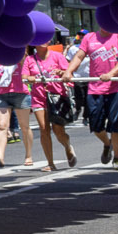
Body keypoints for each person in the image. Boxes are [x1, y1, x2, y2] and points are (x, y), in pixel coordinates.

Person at [76, 24, 118, 168]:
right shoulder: (89, 37)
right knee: (95, 125)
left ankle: (117, 158)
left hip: (116, 88)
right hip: (95, 89)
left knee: (116, 124)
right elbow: (79, 56)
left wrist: (111, 74)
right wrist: (69, 71)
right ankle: (107, 144)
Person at [25, 38, 73, 171]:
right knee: (44, 129)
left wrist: (62, 73)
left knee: (58, 130)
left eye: (47, 39)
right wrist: (28, 78)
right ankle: (50, 163)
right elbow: (24, 76)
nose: (45, 41)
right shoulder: (30, 59)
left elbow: (69, 73)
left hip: (57, 96)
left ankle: (68, 146)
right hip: (39, 97)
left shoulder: (57, 56)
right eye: (41, 38)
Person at [0, 52, 32, 168]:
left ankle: (28, 155)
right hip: (1, 94)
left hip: (20, 93)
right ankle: (0, 157)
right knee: (1, 126)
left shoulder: (19, 53)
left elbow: (25, 67)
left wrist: (17, 50)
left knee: (25, 126)